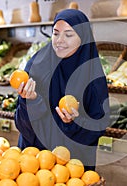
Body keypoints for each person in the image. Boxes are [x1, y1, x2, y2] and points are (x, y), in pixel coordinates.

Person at [14, 9, 110, 171]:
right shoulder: (37, 65)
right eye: (56, 33)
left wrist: (74, 123)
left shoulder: (93, 76)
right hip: (34, 162)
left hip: (71, 166)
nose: (60, 41)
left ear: (83, 37)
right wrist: (30, 102)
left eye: (68, 35)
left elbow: (98, 126)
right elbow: (21, 123)